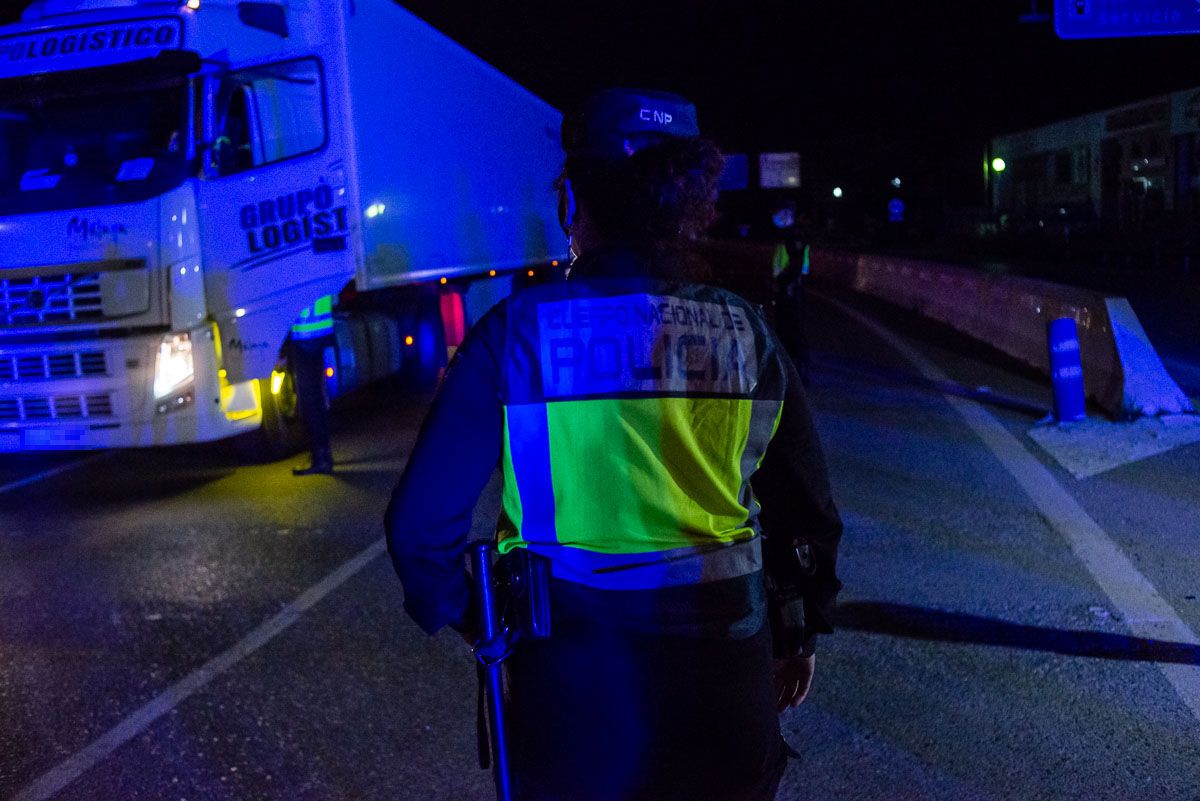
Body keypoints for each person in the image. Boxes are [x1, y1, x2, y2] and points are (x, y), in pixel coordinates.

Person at [386, 88, 843, 801]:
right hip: (726, 671)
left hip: (570, 681)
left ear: (573, 203)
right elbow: (806, 508)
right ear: (694, 205)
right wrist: (798, 628)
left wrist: (487, 625)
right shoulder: (747, 331)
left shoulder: (515, 334)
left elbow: (419, 528)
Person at [289, 294, 335, 476]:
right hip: (318, 333)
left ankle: (321, 458)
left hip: (305, 335)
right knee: (316, 397)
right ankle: (323, 455)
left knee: (310, 399)